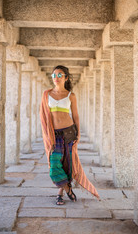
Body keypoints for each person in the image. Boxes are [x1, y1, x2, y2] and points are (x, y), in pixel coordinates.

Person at [40, 65, 100, 205]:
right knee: (54, 164)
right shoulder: (46, 95)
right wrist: (47, 136)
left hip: (69, 132)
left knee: (68, 164)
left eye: (60, 75)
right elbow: (43, 116)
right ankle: (68, 189)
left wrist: (78, 134)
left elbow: (76, 116)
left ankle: (60, 193)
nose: (56, 78)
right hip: (54, 135)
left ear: (66, 78)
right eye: (54, 75)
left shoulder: (70, 95)